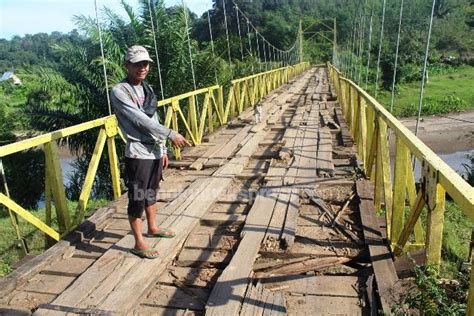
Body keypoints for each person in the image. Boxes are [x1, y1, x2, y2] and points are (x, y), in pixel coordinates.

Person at [111, 45, 190, 259]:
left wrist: (163, 148)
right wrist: (171, 133)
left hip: (154, 151)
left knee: (152, 191)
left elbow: (154, 117)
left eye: (145, 63)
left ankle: (153, 227)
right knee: (138, 196)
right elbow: (140, 119)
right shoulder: (120, 91)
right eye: (137, 64)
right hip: (138, 152)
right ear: (127, 65)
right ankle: (138, 242)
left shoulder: (147, 88)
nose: (142, 68)